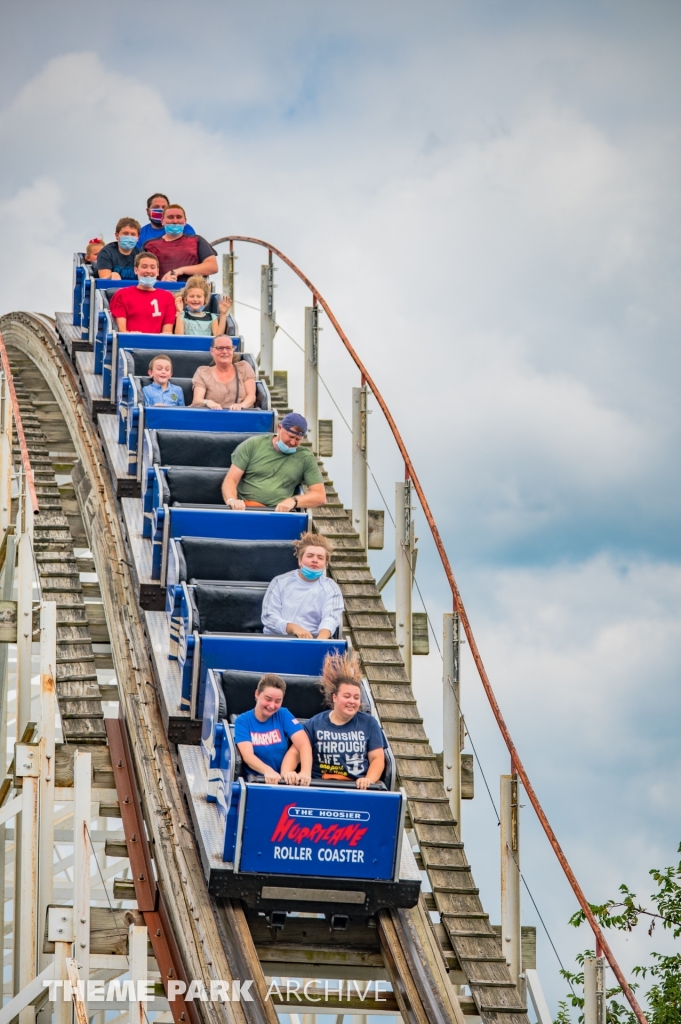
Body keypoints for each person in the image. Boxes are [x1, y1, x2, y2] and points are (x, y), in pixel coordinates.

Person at [281, 653, 385, 790]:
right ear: (335, 697)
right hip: (320, 786)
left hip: (355, 787)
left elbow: (377, 759)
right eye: (347, 696)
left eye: (356, 697)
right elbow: (295, 752)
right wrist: (287, 773)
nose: (352, 701)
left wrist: (368, 780)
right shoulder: (315, 723)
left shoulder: (369, 723)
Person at [221, 413, 327, 512]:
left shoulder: (305, 458)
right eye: (290, 436)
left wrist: (293, 501)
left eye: (298, 439)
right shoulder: (253, 445)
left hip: (279, 513)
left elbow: (320, 496)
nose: (293, 442)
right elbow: (231, 479)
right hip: (247, 509)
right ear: (279, 428)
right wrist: (232, 500)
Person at [234, 674, 312, 786]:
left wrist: (305, 772)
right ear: (257, 694)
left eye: (277, 701)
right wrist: (267, 771)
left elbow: (304, 744)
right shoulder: (243, 721)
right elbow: (247, 755)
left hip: (283, 781)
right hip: (256, 782)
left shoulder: (283, 714)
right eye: (268, 699)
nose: (272, 706)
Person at [262, 532, 343, 639]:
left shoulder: (331, 588)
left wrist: (318, 643)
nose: (315, 560)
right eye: (310, 556)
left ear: (325, 564)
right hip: (279, 640)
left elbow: (331, 618)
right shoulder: (279, 582)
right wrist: (295, 628)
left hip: (314, 639)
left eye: (320, 558)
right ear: (300, 560)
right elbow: (269, 617)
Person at [143, 204, 217, 282]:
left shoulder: (197, 240)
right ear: (162, 221)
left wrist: (180, 271)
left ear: (185, 221)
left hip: (192, 292)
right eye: (170, 217)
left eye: (179, 217)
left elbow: (212, 267)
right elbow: (142, 270)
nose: (175, 221)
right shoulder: (150, 245)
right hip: (162, 291)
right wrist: (161, 282)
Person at [109, 253, 176, 334]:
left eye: (152, 267)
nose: (148, 271)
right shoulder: (122, 294)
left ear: (157, 271)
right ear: (136, 270)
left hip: (157, 344)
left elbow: (167, 332)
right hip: (131, 344)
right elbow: (122, 330)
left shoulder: (167, 297)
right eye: (144, 267)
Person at [191, 336, 256, 410]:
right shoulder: (202, 372)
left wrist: (241, 406)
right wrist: (207, 402)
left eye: (228, 348)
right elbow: (197, 400)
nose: (225, 351)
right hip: (213, 417)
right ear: (212, 351)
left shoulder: (244, 367)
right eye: (220, 348)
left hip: (240, 416)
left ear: (233, 350)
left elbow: (251, 396)